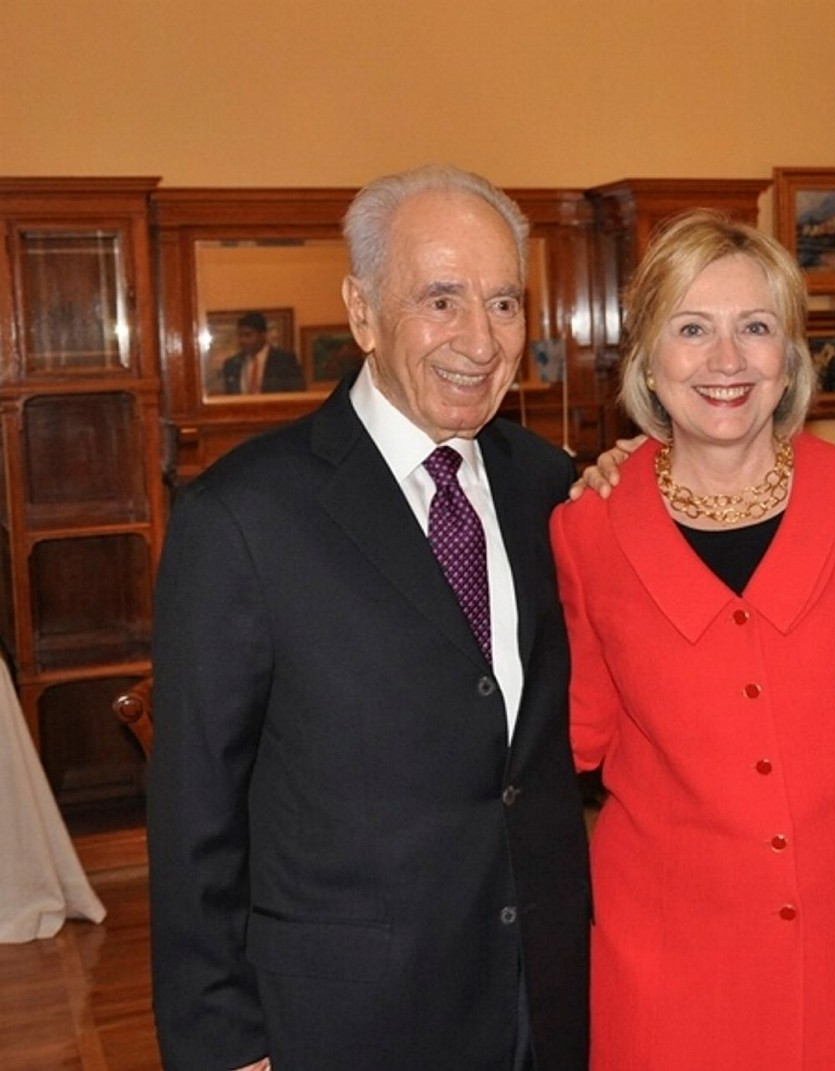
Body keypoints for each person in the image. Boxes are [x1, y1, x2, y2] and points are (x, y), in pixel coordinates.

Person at [147, 164, 590, 1071]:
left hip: (539, 1001)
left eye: (504, 303)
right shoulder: (243, 516)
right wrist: (222, 1041)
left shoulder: (553, 489)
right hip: (346, 1022)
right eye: (441, 299)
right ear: (361, 312)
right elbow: (194, 813)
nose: (480, 338)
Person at [550, 210, 835, 1070]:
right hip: (667, 977)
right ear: (646, 357)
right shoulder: (587, 531)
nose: (725, 361)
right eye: (692, 329)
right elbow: (577, 738)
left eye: (755, 328)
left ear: (790, 356)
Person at [221, 311, 307, 393]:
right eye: (240, 336)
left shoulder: (285, 361)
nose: (242, 340)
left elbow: (297, 393)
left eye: (247, 335)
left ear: (262, 335)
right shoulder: (231, 365)